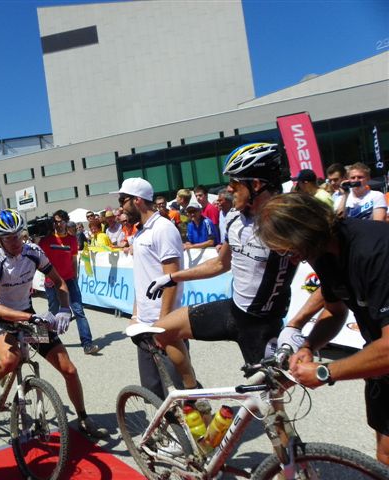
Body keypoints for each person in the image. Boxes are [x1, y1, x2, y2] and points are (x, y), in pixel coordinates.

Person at [146, 143, 302, 387]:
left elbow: (330, 283)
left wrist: (296, 326)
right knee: (161, 330)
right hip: (233, 311)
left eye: (235, 183)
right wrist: (173, 277)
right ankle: (193, 395)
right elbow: (221, 263)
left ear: (256, 185)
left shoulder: (288, 224)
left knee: (271, 401)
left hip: (262, 326)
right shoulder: (234, 218)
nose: (229, 189)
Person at [254, 192, 389, 465]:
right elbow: (335, 310)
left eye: (290, 250)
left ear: (305, 230)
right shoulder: (322, 252)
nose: (292, 260)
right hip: (380, 362)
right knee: (385, 455)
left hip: (384, 352)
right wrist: (309, 345)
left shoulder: (374, 250)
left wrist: (326, 372)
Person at [0, 209, 107, 438]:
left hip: (28, 315)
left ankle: (83, 417)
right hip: (2, 319)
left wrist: (64, 309)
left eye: (18, 235)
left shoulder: (33, 252)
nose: (16, 241)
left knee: (69, 370)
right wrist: (30, 317)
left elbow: (59, 282)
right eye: (8, 238)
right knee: (10, 360)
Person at [118, 178, 188, 398]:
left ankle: (197, 413)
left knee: (180, 392)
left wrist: (163, 322)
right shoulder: (139, 232)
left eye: (123, 200)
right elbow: (142, 279)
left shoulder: (163, 229)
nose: (121, 207)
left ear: (137, 200)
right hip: (144, 324)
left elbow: (171, 278)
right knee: (153, 392)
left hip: (164, 323)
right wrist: (135, 315)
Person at [39, 210, 100, 355]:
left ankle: (87, 344)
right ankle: (45, 341)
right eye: (55, 221)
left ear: (66, 222)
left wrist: (75, 278)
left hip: (69, 280)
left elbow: (74, 261)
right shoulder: (46, 240)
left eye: (61, 221)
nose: (58, 224)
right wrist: (46, 277)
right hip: (52, 282)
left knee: (79, 311)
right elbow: (38, 260)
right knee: (53, 312)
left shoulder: (72, 240)